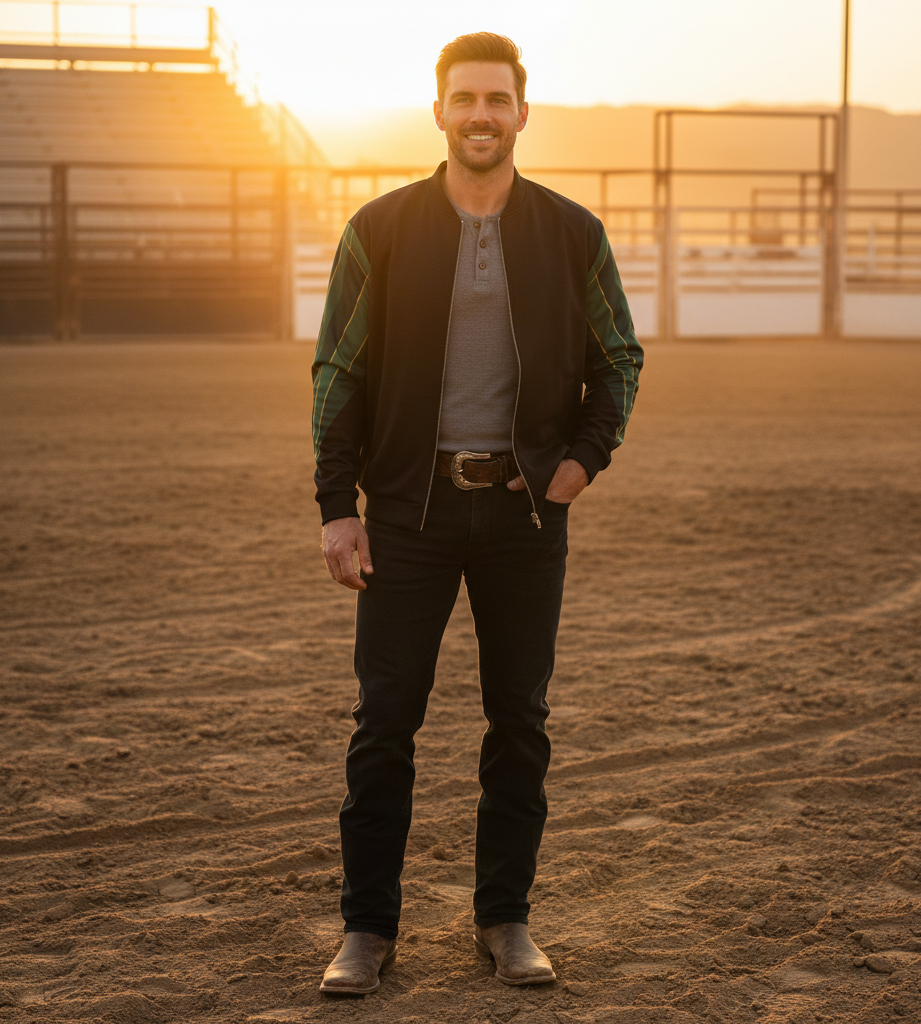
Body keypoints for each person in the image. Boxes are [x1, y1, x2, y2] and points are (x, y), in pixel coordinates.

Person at [311, 32, 643, 995]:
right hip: (407, 515)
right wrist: (340, 509)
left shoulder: (573, 232)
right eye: (466, 99)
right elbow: (339, 372)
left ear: (523, 113)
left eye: (498, 99)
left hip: (525, 518)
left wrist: (578, 464)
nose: (482, 115)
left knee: (520, 724)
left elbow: (617, 357)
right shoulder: (378, 229)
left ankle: (505, 919)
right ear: (440, 112)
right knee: (384, 727)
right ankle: (367, 932)